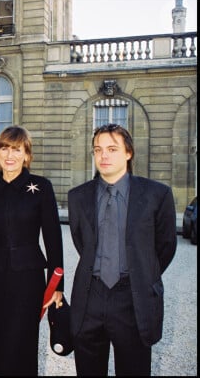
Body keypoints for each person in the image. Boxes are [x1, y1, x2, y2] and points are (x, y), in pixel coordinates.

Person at [68, 123, 177, 376]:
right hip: (90, 298)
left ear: (128, 153)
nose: (103, 155)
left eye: (112, 149)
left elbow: (165, 246)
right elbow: (82, 243)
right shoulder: (78, 196)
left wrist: (141, 271)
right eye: (98, 149)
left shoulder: (157, 194)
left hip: (133, 297)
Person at [0, 126, 64, 375]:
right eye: (5, 148)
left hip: (28, 278)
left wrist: (57, 286)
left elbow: (53, 239)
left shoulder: (41, 188)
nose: (10, 155)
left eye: (17, 149)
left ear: (27, 155)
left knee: (21, 342)